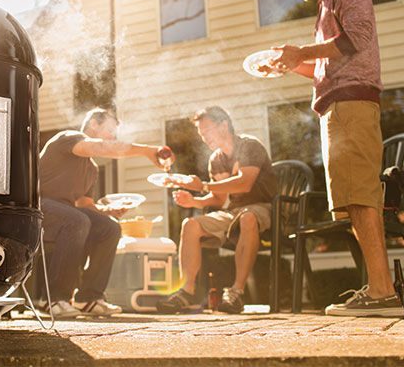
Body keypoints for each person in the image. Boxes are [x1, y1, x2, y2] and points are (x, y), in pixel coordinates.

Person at [268, 0, 402, 316]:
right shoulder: (327, 0)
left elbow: (358, 38)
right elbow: (329, 64)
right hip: (337, 106)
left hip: (352, 104)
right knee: (351, 201)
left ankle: (383, 293)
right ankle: (379, 289)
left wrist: (302, 51)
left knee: (360, 195)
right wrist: (292, 63)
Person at [39, 107, 174, 317]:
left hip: (66, 215)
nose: (112, 137)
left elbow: (84, 204)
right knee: (77, 220)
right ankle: (53, 298)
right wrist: (147, 150)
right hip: (37, 209)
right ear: (93, 124)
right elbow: (103, 147)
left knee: (109, 227)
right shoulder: (68, 138)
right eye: (109, 130)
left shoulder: (91, 169)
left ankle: (88, 297)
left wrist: (108, 210)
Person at [156, 106, 277, 314]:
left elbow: (244, 184)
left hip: (265, 208)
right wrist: (194, 201)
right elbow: (219, 200)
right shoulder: (216, 160)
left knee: (248, 217)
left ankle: (236, 292)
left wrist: (201, 186)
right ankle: (187, 291)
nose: (204, 138)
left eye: (207, 131)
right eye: (201, 134)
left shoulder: (249, 146)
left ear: (223, 125)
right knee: (191, 225)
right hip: (233, 212)